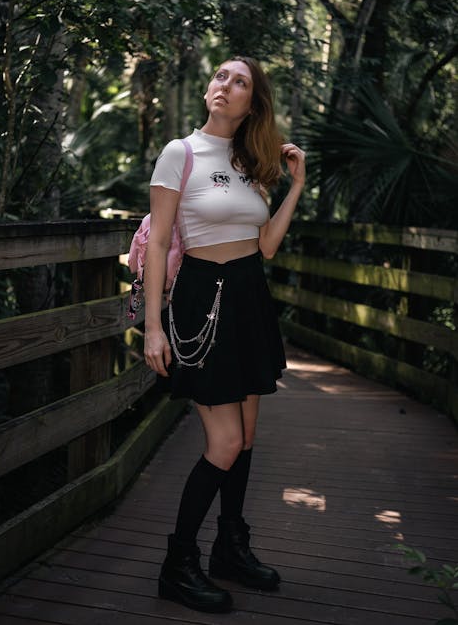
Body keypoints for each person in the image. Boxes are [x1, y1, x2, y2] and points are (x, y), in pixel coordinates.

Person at [143, 56, 306, 613]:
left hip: (249, 297)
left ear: (252, 102)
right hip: (202, 299)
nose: (224, 85)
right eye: (220, 76)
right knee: (226, 443)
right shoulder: (180, 153)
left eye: (239, 82)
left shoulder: (249, 162)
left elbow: (264, 247)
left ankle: (230, 550)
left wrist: (295, 186)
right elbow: (161, 244)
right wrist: (152, 327)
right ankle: (177, 563)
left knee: (248, 438)